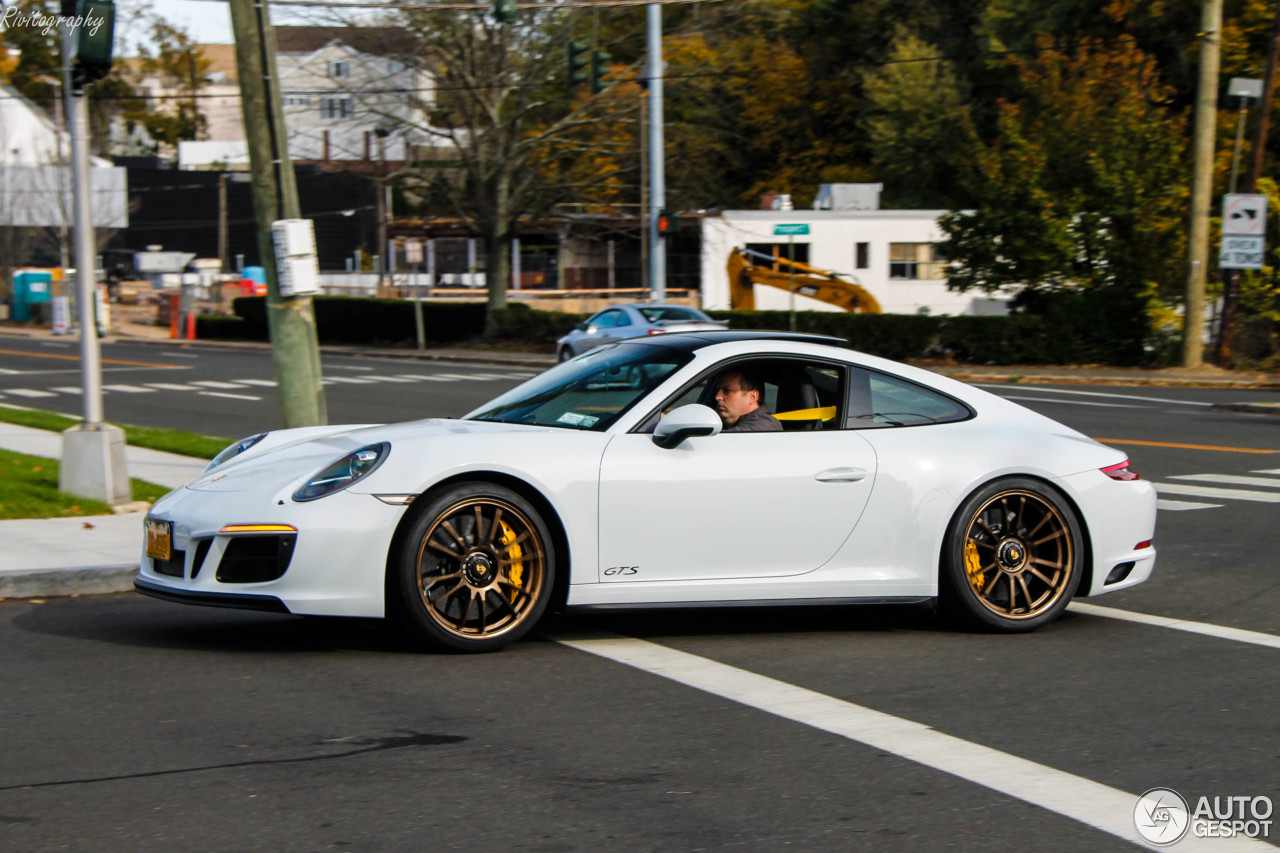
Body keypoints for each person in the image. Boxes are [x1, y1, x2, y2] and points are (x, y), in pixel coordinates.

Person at [713, 369, 782, 432]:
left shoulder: (764, 425)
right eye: (716, 390)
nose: (717, 397)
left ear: (753, 396)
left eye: (727, 391)